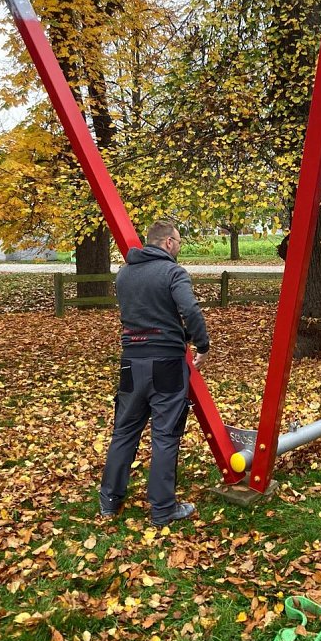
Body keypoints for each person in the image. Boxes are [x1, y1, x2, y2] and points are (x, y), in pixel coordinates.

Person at [99, 219, 210, 527]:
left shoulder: (125, 274)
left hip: (131, 363)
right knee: (165, 436)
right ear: (167, 243)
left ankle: (109, 500)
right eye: (177, 242)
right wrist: (201, 343)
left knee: (124, 432)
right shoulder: (173, 272)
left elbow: (143, 313)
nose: (178, 248)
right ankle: (162, 510)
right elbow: (190, 310)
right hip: (167, 364)